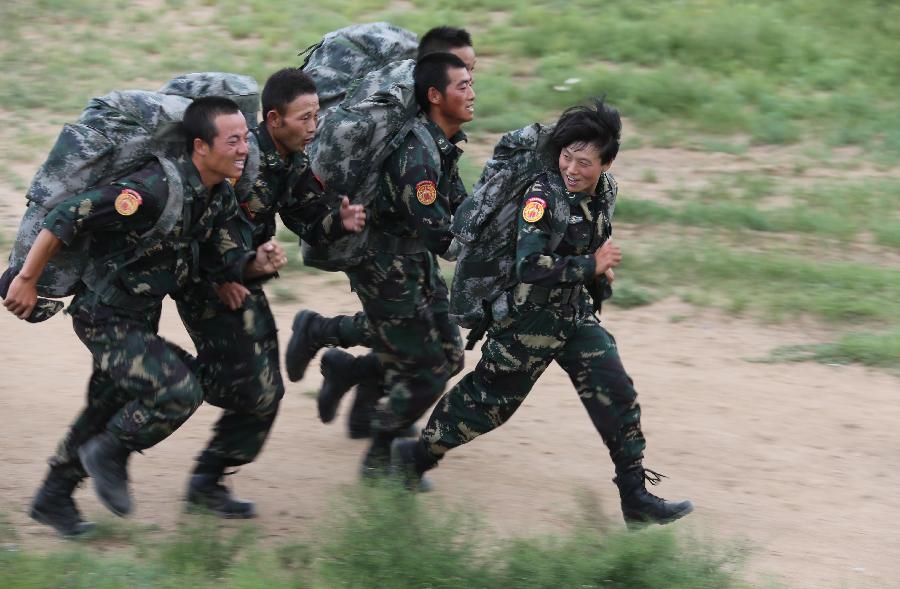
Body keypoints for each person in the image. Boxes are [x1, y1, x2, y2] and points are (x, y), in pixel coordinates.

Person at [392, 100, 694, 527]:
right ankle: (416, 457)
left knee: (616, 393)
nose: (571, 168)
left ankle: (635, 498)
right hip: (526, 324)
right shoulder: (542, 195)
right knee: (487, 405)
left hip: (573, 317)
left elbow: (587, 243)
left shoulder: (605, 192)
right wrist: (592, 266)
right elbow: (529, 266)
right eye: (566, 155)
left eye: (584, 161)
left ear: (607, 164)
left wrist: (596, 280)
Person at [3, 97, 287, 536]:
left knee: (108, 403)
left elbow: (223, 260)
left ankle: (53, 497)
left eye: (246, 139)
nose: (244, 149)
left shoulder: (216, 197)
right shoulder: (152, 190)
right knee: (177, 390)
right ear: (200, 147)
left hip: (139, 316)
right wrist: (26, 279)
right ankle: (111, 453)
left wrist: (257, 265)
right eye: (232, 140)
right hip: (104, 315)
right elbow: (66, 215)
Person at [174, 69, 365, 518]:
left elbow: (304, 217)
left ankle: (208, 477)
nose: (314, 126)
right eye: (305, 117)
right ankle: (147, 419)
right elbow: (200, 221)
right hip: (211, 283)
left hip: (243, 278)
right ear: (274, 119)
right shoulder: (241, 158)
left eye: (317, 115)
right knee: (252, 387)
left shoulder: (290, 161)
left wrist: (339, 220)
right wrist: (222, 275)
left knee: (263, 389)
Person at [286, 26, 476, 440]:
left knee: (445, 352)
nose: (473, 83)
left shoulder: (432, 127)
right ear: (433, 80)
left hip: (409, 248)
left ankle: (351, 377)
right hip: (381, 252)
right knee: (425, 361)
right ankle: (385, 455)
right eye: (464, 73)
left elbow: (452, 197)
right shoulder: (411, 140)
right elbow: (440, 230)